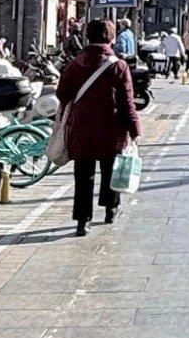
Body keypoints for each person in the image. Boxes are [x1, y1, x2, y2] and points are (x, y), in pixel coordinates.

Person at [57, 18, 141, 238]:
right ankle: (110, 209)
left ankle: (82, 221)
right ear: (111, 38)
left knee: (83, 176)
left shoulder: (75, 64)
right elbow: (127, 102)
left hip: (82, 130)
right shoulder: (118, 66)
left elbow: (62, 94)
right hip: (111, 130)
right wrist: (135, 129)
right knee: (110, 170)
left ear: (88, 36)